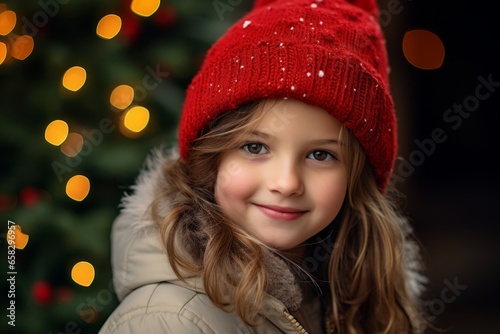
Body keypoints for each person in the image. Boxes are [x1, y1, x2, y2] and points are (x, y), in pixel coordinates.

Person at [99, 0, 428, 332]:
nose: (286, 183)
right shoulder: (167, 323)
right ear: (211, 158)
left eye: (320, 155)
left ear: (357, 177)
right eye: (254, 147)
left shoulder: (344, 296)